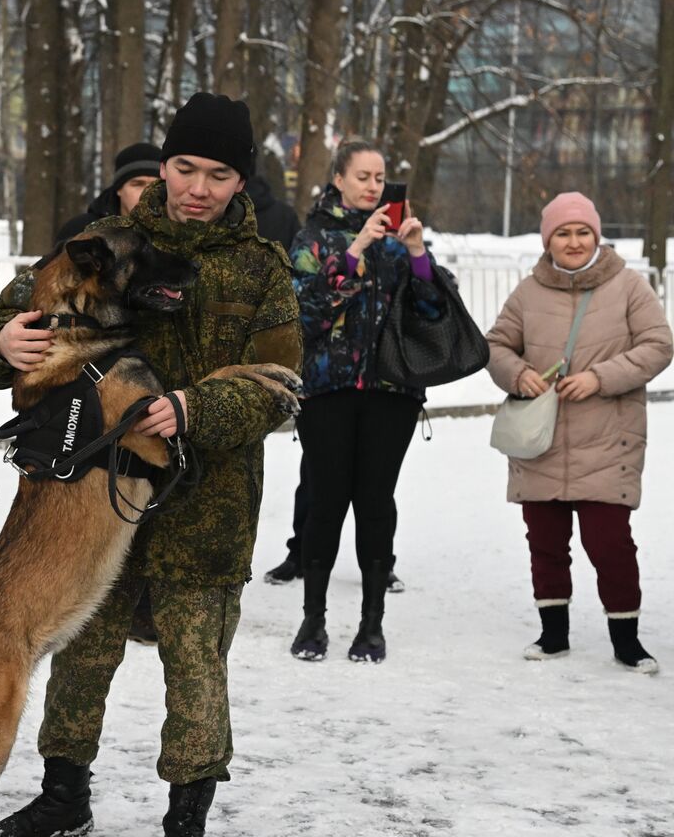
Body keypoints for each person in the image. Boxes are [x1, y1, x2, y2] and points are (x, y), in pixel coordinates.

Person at [0, 93, 301, 837]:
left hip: (208, 505)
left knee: (197, 667)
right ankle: (63, 795)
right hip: (96, 498)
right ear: (164, 166)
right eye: (184, 167)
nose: (196, 186)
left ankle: (186, 822)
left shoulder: (262, 267)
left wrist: (195, 407)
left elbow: (283, 384)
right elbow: (19, 314)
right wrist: (1, 340)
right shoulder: (113, 241)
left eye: (217, 173)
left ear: (239, 180)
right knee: (81, 655)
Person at [485, 192, 671, 673]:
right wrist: (517, 373)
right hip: (539, 442)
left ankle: (626, 640)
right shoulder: (528, 292)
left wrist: (600, 377)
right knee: (545, 543)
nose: (573, 241)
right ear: (549, 241)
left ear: (596, 235)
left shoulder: (629, 287)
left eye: (582, 232)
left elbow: (658, 344)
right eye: (563, 233)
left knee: (610, 544)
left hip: (608, 441)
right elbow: (496, 345)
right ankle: (553, 635)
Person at [286, 139, 442, 664]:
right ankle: (313, 621)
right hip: (327, 390)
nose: (374, 187)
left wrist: (417, 254)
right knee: (325, 504)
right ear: (338, 180)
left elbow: (432, 314)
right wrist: (353, 251)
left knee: (376, 505)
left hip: (391, 392)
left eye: (380, 178)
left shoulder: (402, 239)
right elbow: (303, 315)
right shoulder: (312, 237)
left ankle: (372, 624)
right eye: (363, 177)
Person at [54, 141, 164, 645]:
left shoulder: (171, 238)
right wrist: (3, 336)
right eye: (137, 183)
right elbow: (27, 300)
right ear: (118, 188)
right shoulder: (83, 239)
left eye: (153, 183)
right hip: (94, 405)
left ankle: (145, 602)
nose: (146, 193)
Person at [55, 141, 161, 244]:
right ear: (119, 189)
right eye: (137, 184)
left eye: (156, 185)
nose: (148, 192)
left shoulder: (173, 237)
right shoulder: (81, 231)